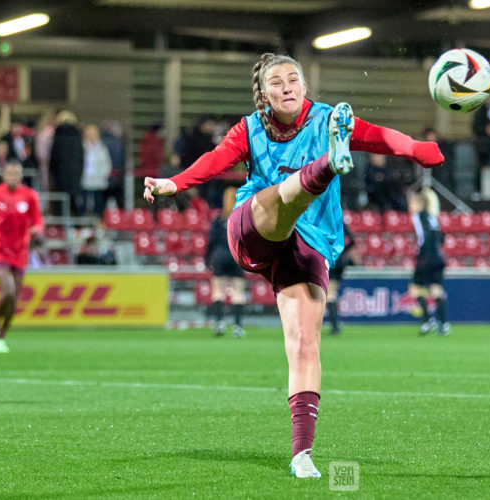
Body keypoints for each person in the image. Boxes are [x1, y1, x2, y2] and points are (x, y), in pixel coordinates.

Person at [143, 52, 443, 478]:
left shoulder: (326, 119)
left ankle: (302, 453)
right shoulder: (248, 128)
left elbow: (380, 138)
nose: (287, 86)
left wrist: (417, 149)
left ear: (303, 86)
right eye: (278, 82)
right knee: (279, 199)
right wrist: (173, 182)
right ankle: (325, 167)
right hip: (253, 230)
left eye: (294, 79)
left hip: (311, 243)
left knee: (305, 344)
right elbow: (214, 160)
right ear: (264, 95)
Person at [0, 160, 44, 353]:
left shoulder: (29, 196)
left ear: (21, 176)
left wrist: (37, 229)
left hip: (20, 252)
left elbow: (38, 219)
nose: (13, 176)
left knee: (14, 301)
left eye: (16, 173)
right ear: (3, 175)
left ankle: (0, 336)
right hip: (0, 251)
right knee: (7, 291)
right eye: (9, 173)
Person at [206, 186, 247, 337]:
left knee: (218, 291)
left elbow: (211, 241)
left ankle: (219, 322)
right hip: (236, 255)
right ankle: (237, 326)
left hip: (220, 255)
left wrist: (208, 258)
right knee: (238, 292)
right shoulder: (242, 218)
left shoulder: (219, 219)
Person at [407, 188, 449, 336]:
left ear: (419, 204)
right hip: (438, 256)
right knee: (436, 289)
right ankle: (444, 324)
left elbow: (423, 237)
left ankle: (427, 321)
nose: (410, 206)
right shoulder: (433, 217)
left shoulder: (418, 217)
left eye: (412, 203)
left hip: (426, 257)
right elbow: (441, 236)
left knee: (415, 289)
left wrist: (421, 252)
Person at [49, 110, 84, 215]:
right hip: (74, 174)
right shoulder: (77, 137)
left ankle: (59, 227)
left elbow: (54, 158)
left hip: (60, 174)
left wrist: (53, 172)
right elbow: (81, 158)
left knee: (60, 202)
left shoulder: (58, 136)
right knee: (74, 202)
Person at [326, 223, 356, 336]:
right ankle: (335, 324)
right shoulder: (341, 223)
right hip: (341, 260)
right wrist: (343, 250)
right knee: (333, 292)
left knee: (330, 294)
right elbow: (352, 240)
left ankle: (335, 326)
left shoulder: (325, 221)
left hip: (331, 259)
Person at [81, 124, 113, 217]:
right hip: (85, 180)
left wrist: (103, 175)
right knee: (84, 203)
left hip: (98, 181)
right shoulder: (82, 147)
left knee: (98, 204)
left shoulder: (102, 148)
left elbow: (107, 164)